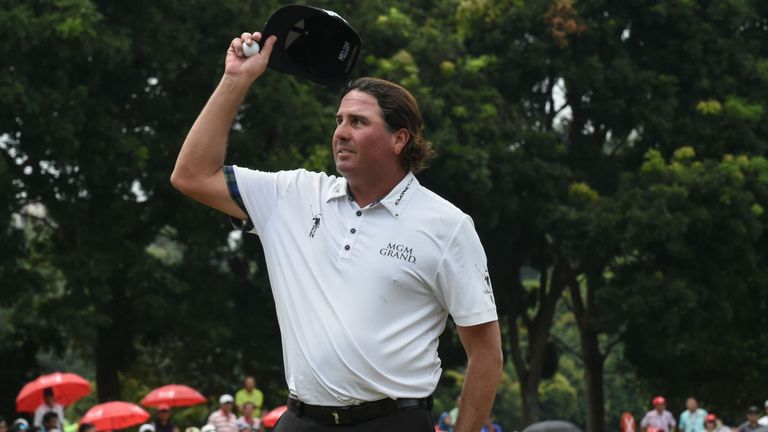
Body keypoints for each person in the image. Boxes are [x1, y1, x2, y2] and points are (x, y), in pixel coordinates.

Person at [171, 26, 502, 432]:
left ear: (399, 139)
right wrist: (235, 79)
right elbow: (191, 174)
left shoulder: (447, 226)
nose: (341, 132)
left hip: (394, 422)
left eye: (358, 121)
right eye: (339, 119)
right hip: (300, 420)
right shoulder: (293, 195)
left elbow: (486, 351)